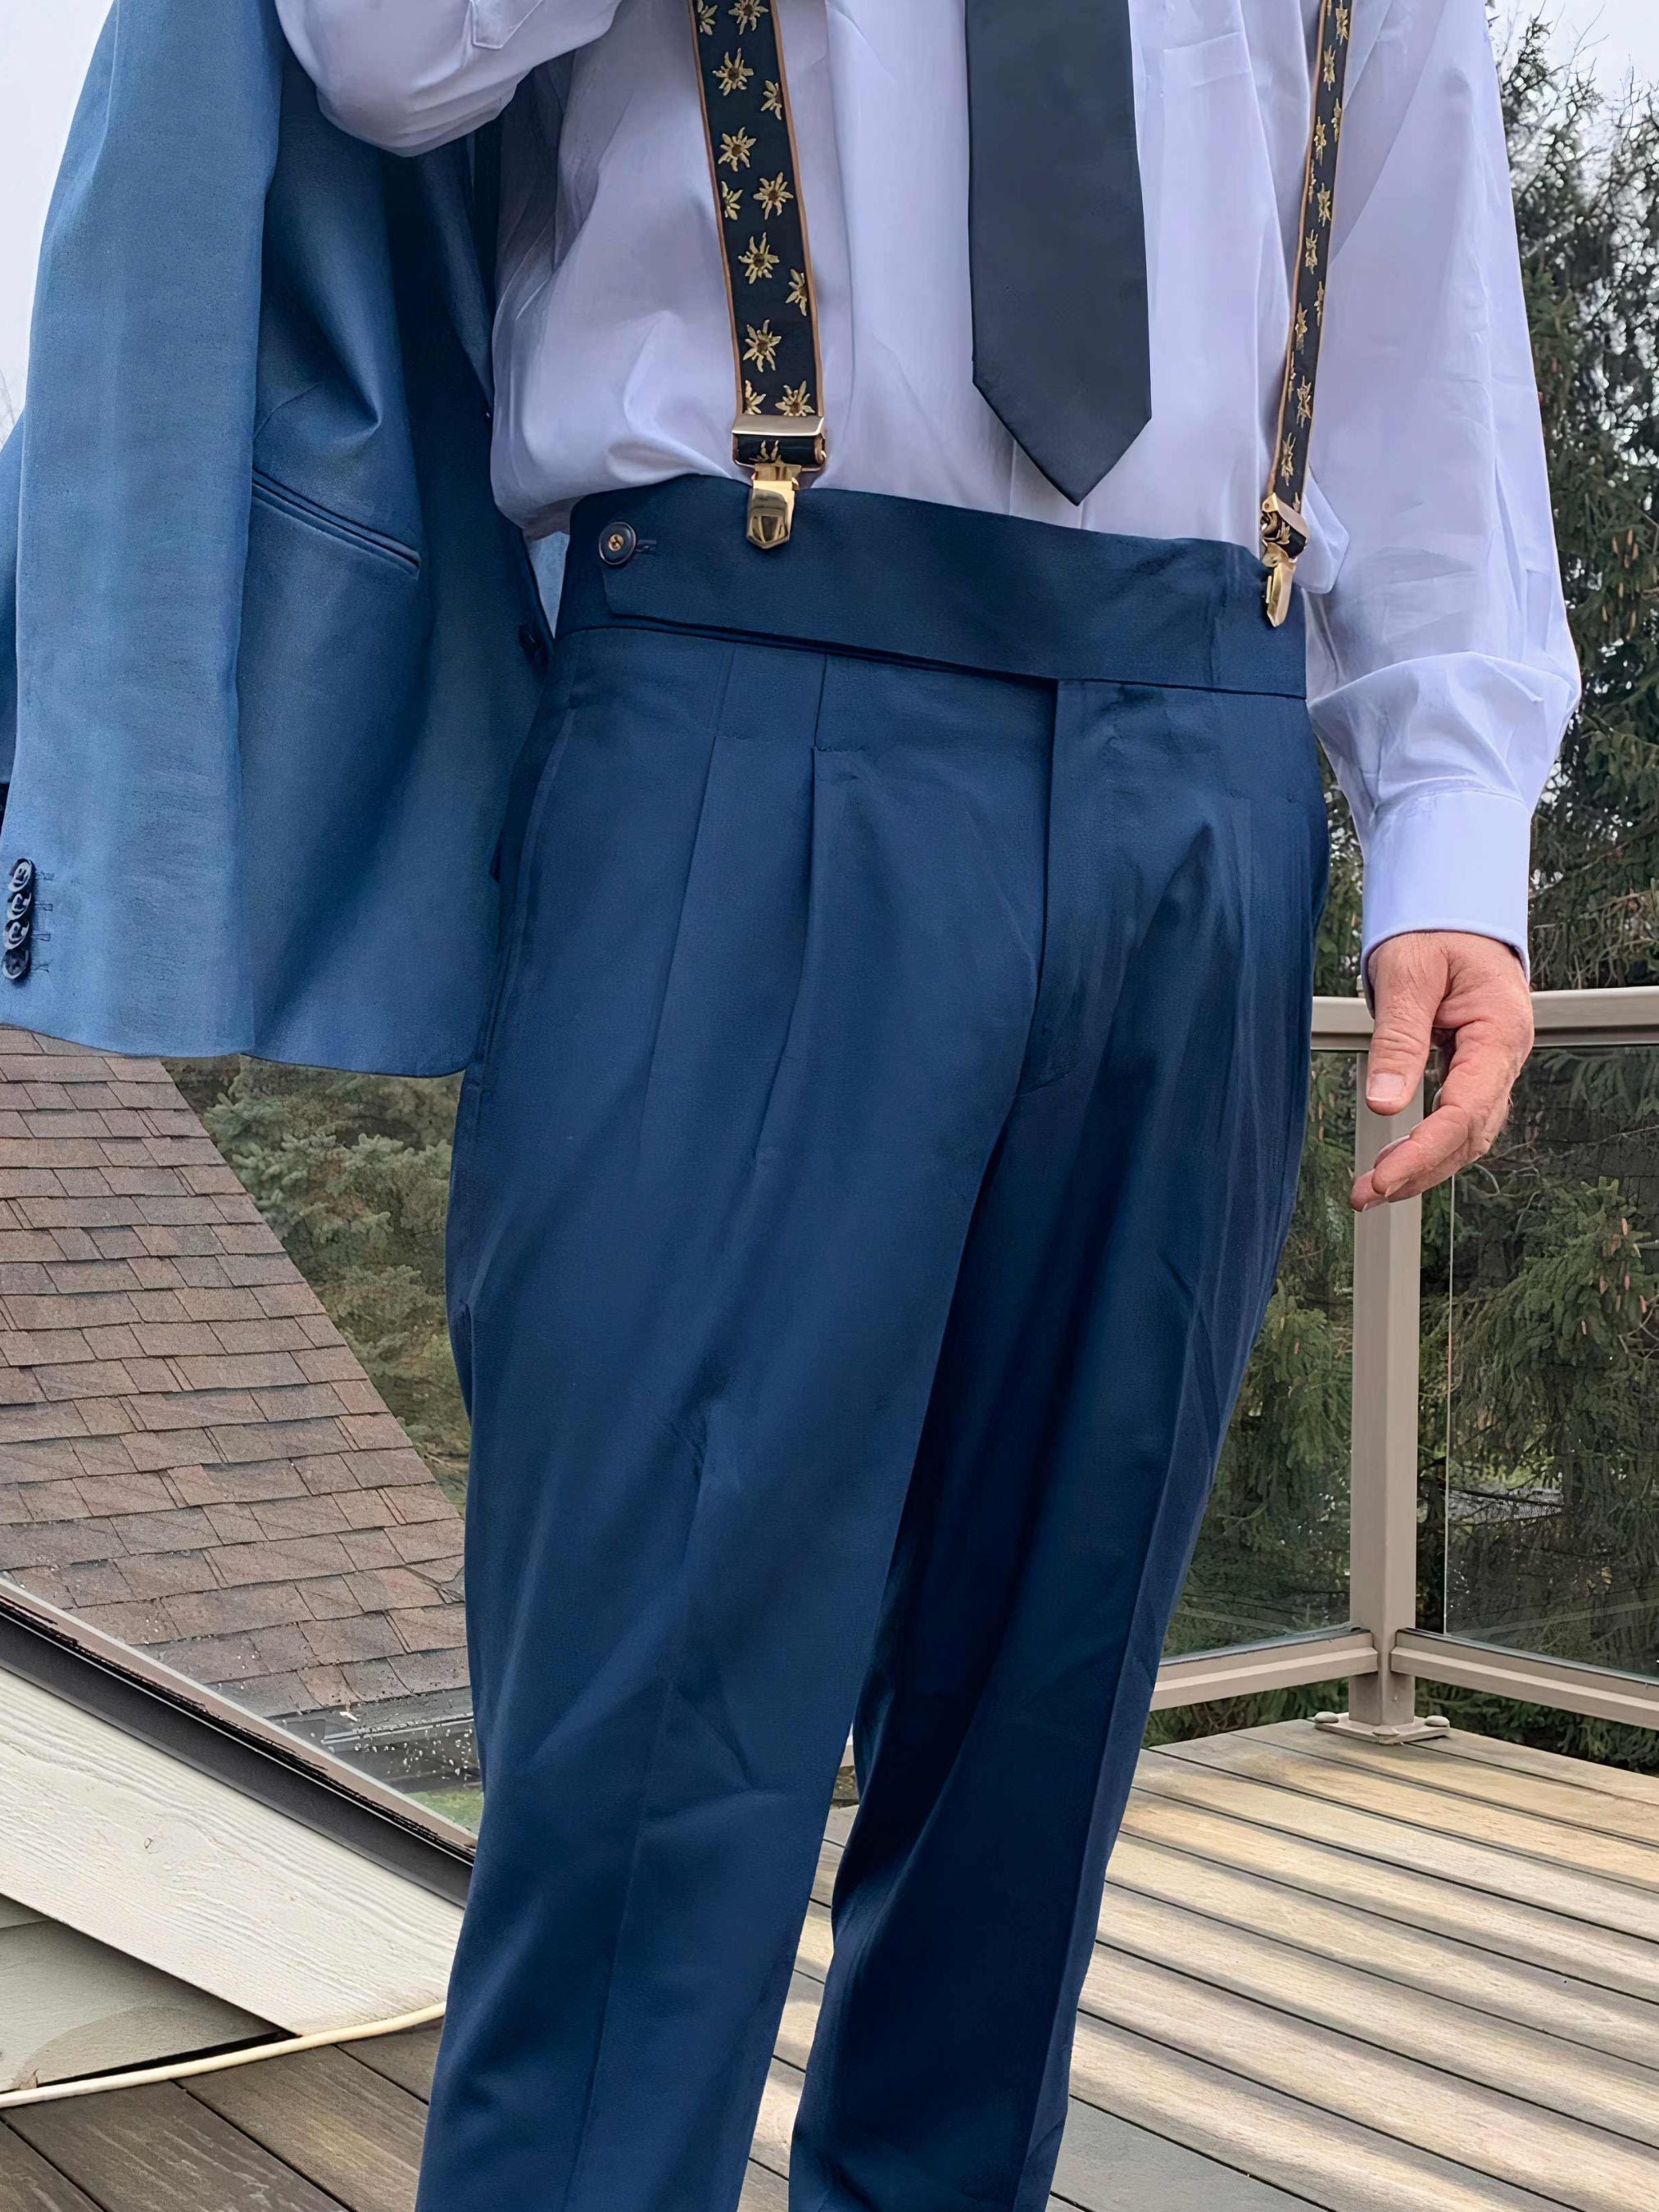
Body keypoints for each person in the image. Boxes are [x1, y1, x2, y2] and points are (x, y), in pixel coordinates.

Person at [0, 2, 1576, 2207]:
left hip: (1200, 749)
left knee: (1033, 1771)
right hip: (736, 705)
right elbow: (379, 48)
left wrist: (1451, 833)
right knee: (642, 1779)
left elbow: (1419, 291)